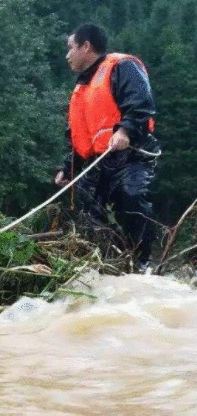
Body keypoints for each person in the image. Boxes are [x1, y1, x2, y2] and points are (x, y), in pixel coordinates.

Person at [54, 23, 160, 272]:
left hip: (131, 154)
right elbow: (81, 138)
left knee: (131, 198)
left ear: (86, 47)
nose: (67, 55)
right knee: (84, 212)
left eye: (71, 48)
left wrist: (125, 130)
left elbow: (141, 103)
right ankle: (103, 266)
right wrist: (69, 168)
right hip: (96, 164)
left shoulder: (122, 66)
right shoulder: (81, 88)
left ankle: (143, 264)